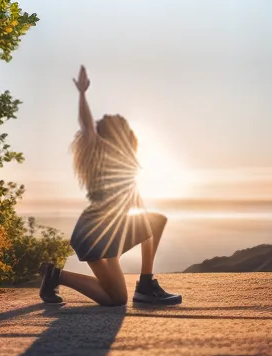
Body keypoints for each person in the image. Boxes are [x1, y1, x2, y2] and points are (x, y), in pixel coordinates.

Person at [37, 66, 182, 307]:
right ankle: (56, 276)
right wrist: (82, 94)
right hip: (94, 234)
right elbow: (87, 128)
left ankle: (146, 284)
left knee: (156, 221)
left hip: (111, 231)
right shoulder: (97, 154)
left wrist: (142, 222)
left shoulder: (125, 164)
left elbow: (136, 202)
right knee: (116, 299)